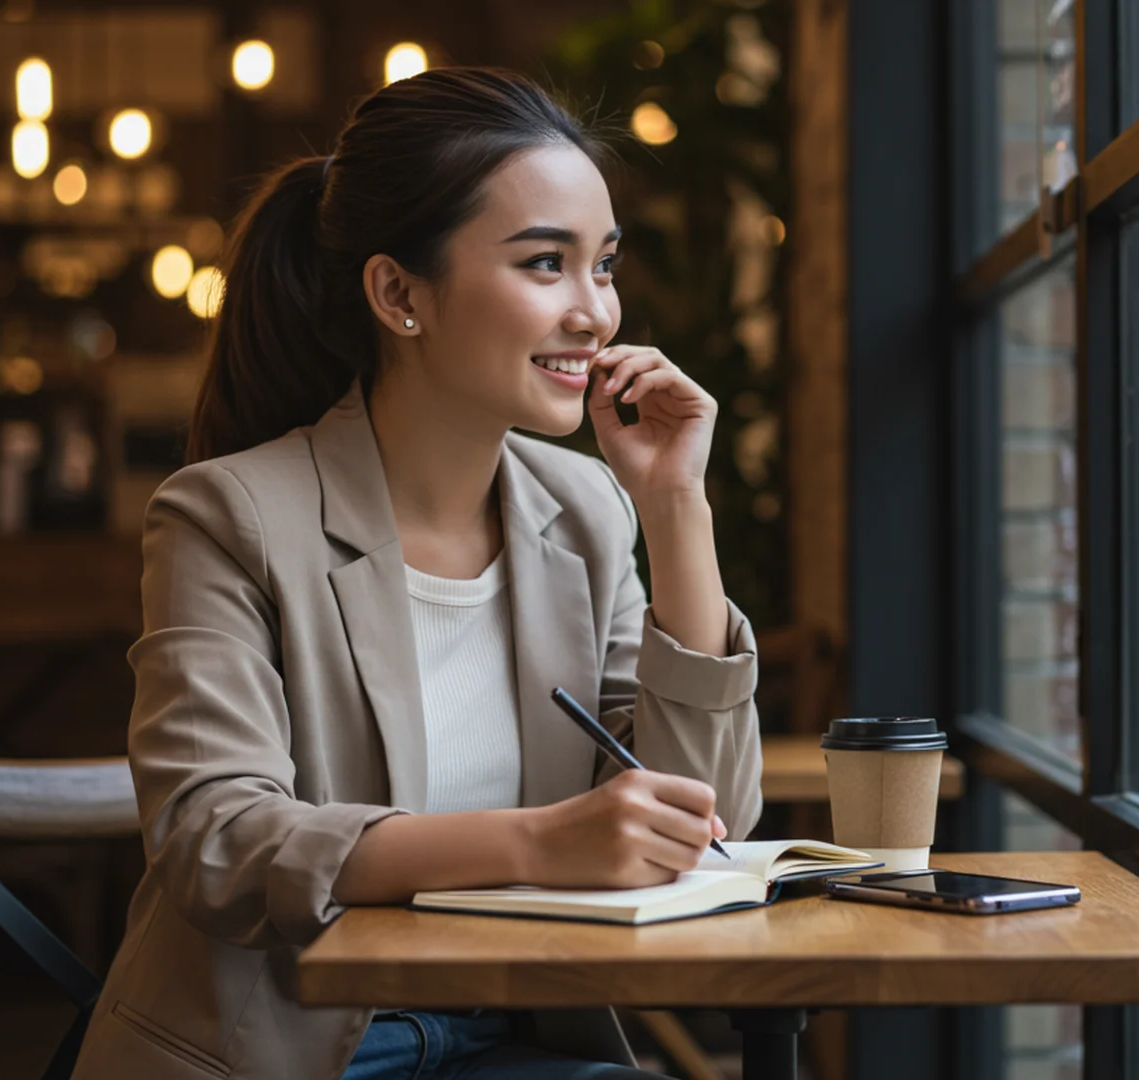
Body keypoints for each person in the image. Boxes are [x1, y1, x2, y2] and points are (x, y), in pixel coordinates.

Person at [71, 68, 763, 1080]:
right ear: (400, 293)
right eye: (544, 265)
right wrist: (535, 844)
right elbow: (216, 842)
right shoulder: (229, 515)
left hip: (506, 1035)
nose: (594, 313)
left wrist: (674, 509)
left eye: (602, 267)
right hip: (285, 1050)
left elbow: (707, 821)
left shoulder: (587, 512)